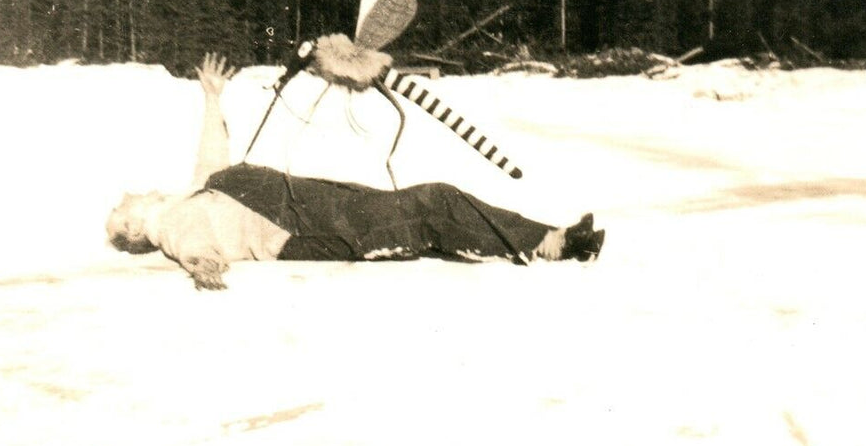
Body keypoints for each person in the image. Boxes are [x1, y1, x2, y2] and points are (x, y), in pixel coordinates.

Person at [106, 53, 605, 290]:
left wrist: (211, 97)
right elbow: (195, 248)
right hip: (313, 225)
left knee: (428, 208)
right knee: (433, 202)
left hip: (318, 205)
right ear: (134, 228)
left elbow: (211, 156)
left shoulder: (191, 196)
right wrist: (204, 268)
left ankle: (544, 237)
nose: (127, 195)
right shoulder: (172, 225)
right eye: (120, 209)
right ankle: (552, 243)